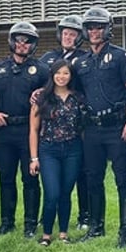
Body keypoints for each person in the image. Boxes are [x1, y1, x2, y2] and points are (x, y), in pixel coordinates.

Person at [73, 7, 126, 248]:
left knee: (122, 178)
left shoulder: (122, 56)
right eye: (90, 27)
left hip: (117, 126)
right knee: (93, 178)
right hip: (91, 129)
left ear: (108, 28)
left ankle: (125, 231)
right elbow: (75, 93)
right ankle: (96, 227)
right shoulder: (81, 61)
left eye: (99, 27)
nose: (94, 32)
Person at [0, 22, 49, 238]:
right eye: (19, 40)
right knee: (6, 178)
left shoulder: (41, 69)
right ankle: (7, 222)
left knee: (30, 179)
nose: (22, 44)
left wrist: (42, 91)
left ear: (33, 44)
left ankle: (30, 224)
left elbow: (52, 94)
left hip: (29, 132)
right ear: (11, 41)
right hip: (4, 132)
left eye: (27, 41)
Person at [38, 15, 91, 230]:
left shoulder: (85, 57)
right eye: (66, 33)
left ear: (79, 37)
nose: (68, 37)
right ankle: (47, 218)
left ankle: (84, 216)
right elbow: (42, 84)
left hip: (74, 123)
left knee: (79, 178)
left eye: (73, 34)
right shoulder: (48, 57)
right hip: (50, 127)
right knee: (51, 186)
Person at [29, 60, 86, 246]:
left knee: (65, 193)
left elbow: (83, 127)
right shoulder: (41, 98)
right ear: (52, 75)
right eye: (58, 73)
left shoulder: (78, 98)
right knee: (51, 193)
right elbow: (33, 130)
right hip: (48, 150)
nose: (62, 77)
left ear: (71, 76)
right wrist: (34, 158)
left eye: (66, 73)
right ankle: (46, 234)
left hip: (73, 150)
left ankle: (63, 233)